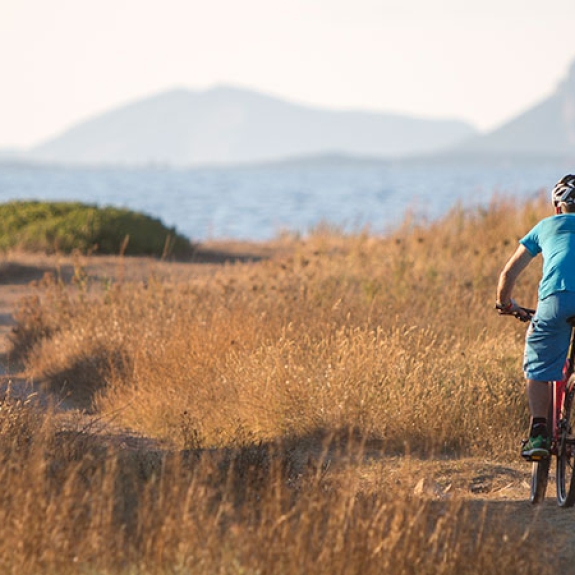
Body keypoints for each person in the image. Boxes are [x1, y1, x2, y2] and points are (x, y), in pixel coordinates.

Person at [496, 174, 575, 460]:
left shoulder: (545, 226)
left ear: (557, 207)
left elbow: (508, 273)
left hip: (556, 299)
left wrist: (505, 304)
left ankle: (539, 434)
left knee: (540, 365)